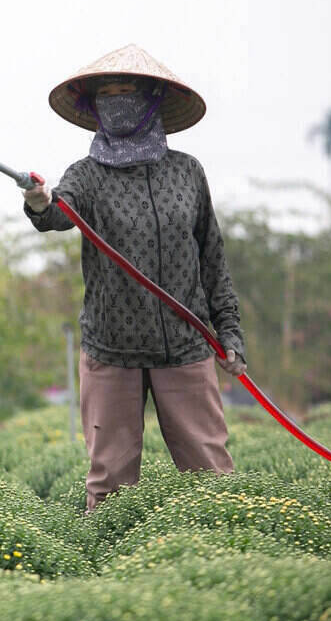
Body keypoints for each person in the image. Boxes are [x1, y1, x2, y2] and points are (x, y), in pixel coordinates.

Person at [23, 44, 246, 512]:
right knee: (109, 485)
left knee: (211, 477)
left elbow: (213, 257)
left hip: (186, 346)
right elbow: (58, 213)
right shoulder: (87, 176)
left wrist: (229, 334)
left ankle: (224, 550)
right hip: (112, 351)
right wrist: (40, 203)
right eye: (106, 94)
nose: (115, 101)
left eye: (126, 91)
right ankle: (108, 570)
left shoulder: (187, 172)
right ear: (94, 106)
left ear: (150, 101)